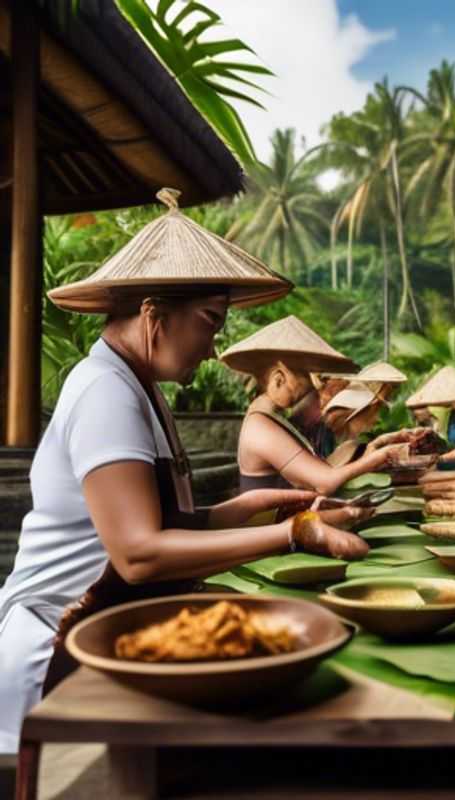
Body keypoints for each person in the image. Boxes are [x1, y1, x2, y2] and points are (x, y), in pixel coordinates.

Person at [0, 191, 369, 754]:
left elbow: (161, 522)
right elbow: (138, 553)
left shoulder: (139, 388)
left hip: (104, 636)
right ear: (154, 315)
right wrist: (290, 535)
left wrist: (238, 512)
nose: (214, 344)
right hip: (57, 651)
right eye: (209, 322)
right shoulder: (106, 391)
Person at [221, 317, 404, 496]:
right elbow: (325, 482)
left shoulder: (272, 418)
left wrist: (375, 446)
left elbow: (321, 468)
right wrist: (380, 456)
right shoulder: (261, 427)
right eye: (304, 376)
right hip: (271, 523)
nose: (312, 386)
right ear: (279, 379)